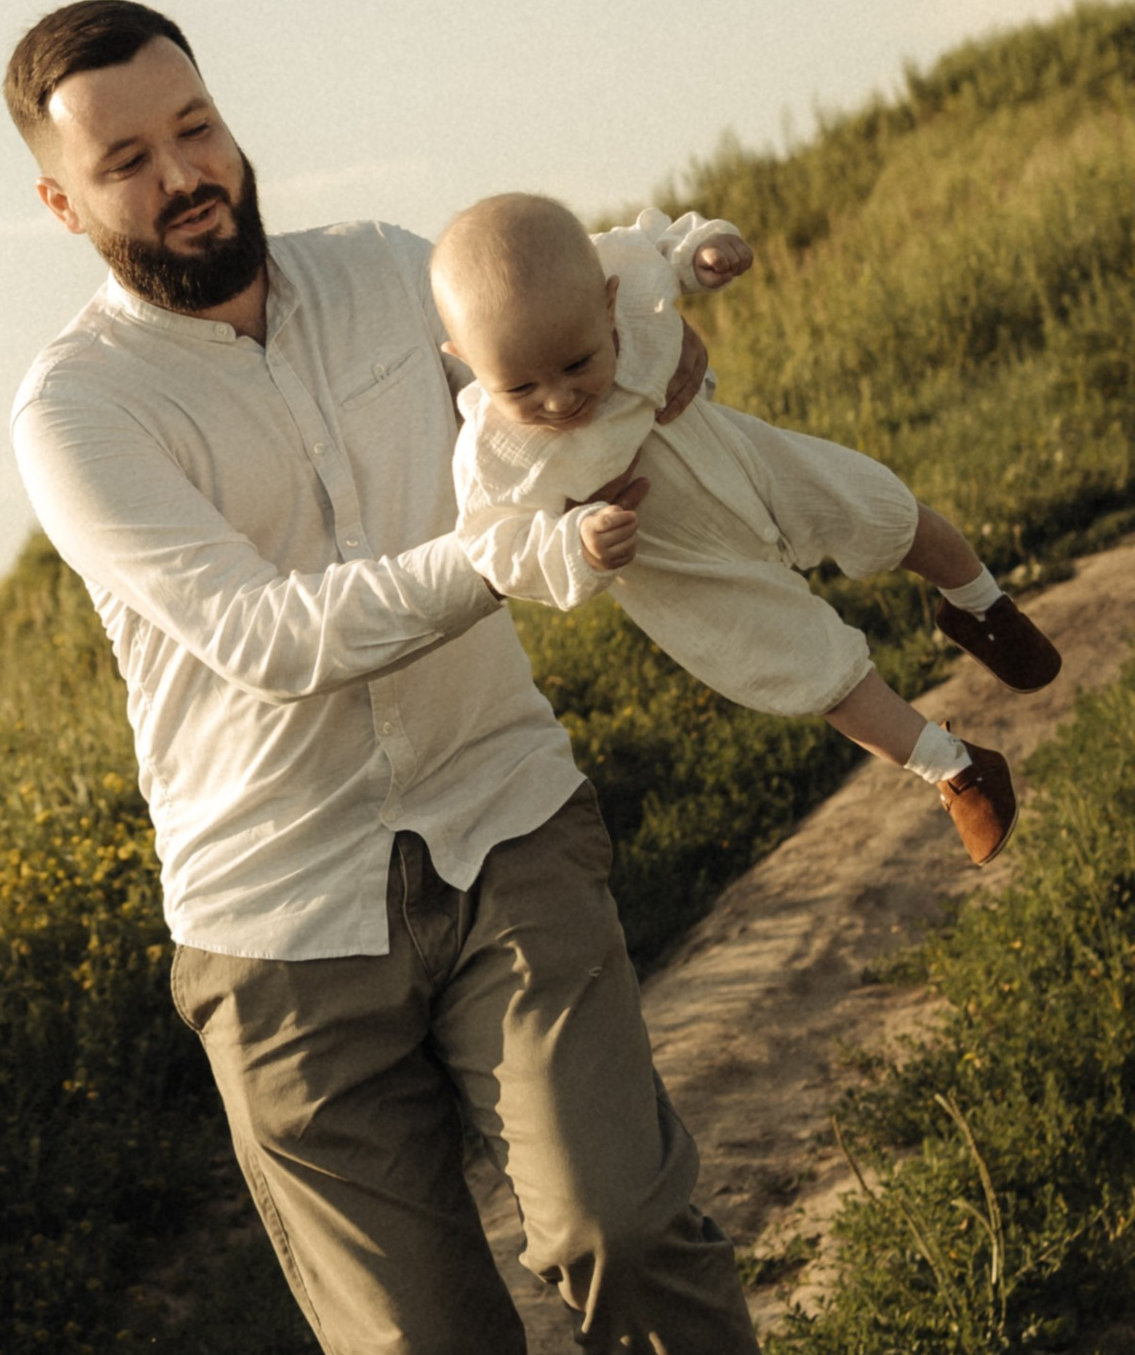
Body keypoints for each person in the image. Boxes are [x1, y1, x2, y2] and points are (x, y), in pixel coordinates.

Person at [3, 0, 857, 1355]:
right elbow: (270, 634)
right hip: (268, 920)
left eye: (194, 125)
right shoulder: (78, 413)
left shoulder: (400, 275)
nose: (183, 172)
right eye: (125, 157)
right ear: (63, 201)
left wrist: (649, 351)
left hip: (496, 820)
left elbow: (596, 334)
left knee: (620, 1221)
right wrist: (515, 551)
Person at [434, 192, 1059, 865]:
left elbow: (666, 245)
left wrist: (708, 250)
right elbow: (496, 547)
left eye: (580, 363)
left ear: (608, 301)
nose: (558, 400)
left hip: (741, 457)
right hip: (680, 564)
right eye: (520, 390)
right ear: (464, 356)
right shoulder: (493, 456)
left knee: (878, 506)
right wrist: (573, 544)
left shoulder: (623, 274)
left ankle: (982, 606)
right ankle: (956, 769)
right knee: (804, 666)